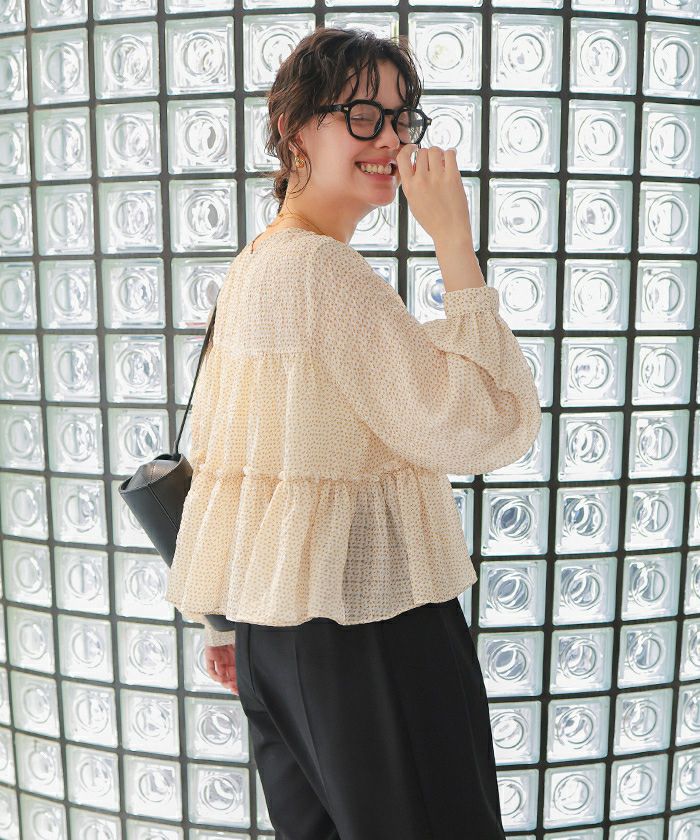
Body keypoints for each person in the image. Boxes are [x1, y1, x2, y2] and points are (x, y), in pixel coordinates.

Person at [166, 26, 542, 840]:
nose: (391, 140)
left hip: (275, 633)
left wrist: (224, 620)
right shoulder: (323, 272)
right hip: (371, 628)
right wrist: (454, 241)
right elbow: (485, 424)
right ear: (295, 129)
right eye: (362, 115)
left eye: (403, 119)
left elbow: (227, 453)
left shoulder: (258, 262)